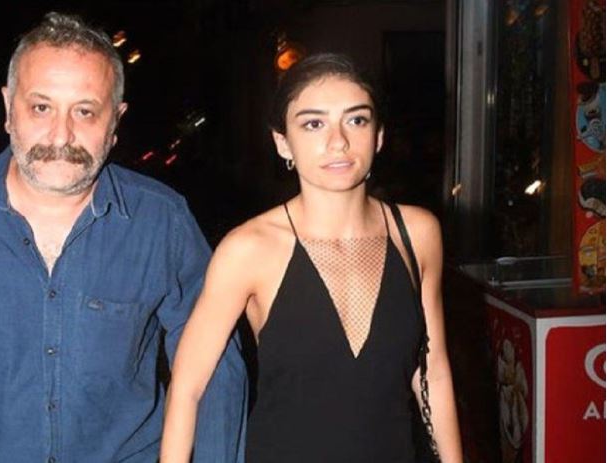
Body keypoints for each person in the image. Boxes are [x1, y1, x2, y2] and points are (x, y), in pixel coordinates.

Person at [0, 12, 247, 463]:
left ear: (115, 122)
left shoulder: (161, 221)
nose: (62, 135)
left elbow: (215, 364)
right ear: (9, 109)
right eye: (41, 108)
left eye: (85, 111)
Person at [161, 53, 462, 462]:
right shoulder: (249, 248)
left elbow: (433, 371)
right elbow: (188, 386)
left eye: (357, 120)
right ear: (282, 142)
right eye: (313, 124)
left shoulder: (418, 234)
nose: (338, 141)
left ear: (378, 136)